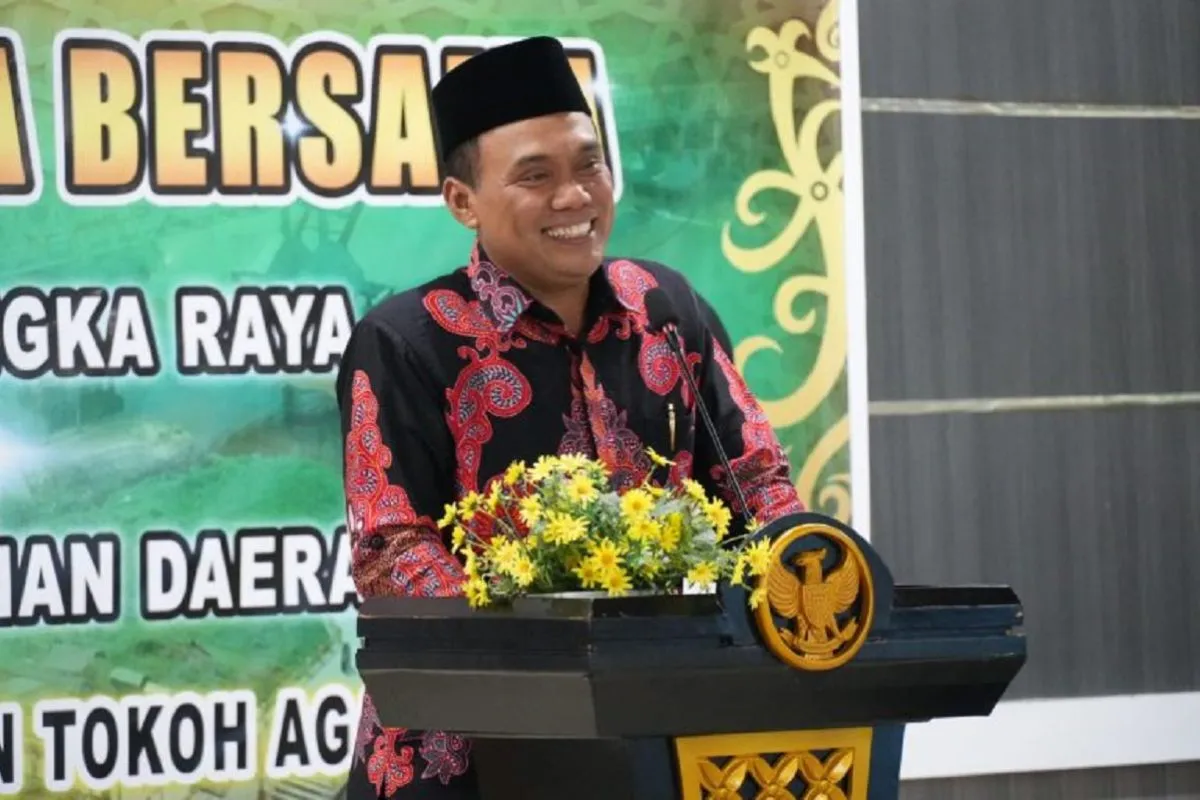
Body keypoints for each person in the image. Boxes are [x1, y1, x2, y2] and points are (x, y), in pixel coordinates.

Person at [336, 35, 805, 800]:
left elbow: (754, 481)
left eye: (589, 164)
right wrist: (546, 665)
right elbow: (394, 551)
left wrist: (808, 582)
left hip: (662, 736)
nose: (574, 197)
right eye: (535, 176)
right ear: (462, 202)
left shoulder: (666, 309)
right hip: (468, 758)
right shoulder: (406, 341)